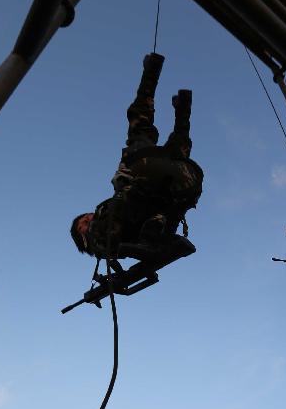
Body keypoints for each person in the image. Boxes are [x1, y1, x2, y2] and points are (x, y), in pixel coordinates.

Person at [71, 53, 203, 264]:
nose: (88, 220)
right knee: (161, 147)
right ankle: (176, 101)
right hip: (183, 185)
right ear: (83, 242)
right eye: (82, 226)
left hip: (181, 184)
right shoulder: (103, 232)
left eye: (85, 218)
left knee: (148, 140)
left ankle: (159, 81)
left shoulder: (116, 212)